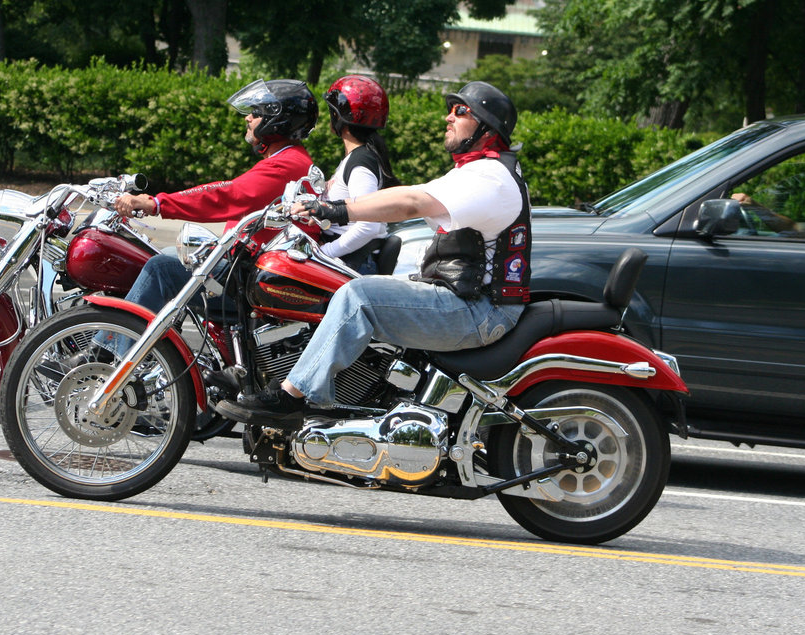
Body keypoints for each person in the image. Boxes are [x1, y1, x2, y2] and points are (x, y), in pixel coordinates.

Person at [218, 81, 531, 429]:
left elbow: (411, 202)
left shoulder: (491, 177)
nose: (448, 117)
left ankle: (295, 398)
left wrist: (334, 210)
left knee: (358, 295)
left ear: (487, 126)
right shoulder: (476, 170)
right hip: (469, 300)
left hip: (478, 310)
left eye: (461, 111)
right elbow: (413, 193)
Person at [92, 79, 318, 357]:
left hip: (249, 278)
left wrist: (155, 203)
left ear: (277, 121)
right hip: (249, 269)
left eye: (257, 112)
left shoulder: (287, 164)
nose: (248, 117)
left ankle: (106, 356)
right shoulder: (288, 158)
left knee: (160, 269)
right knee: (161, 254)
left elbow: (227, 196)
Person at [318, 75, 400, 273]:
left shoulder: (361, 162)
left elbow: (368, 225)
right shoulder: (359, 157)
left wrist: (324, 253)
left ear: (339, 117)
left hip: (351, 263)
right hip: (350, 261)